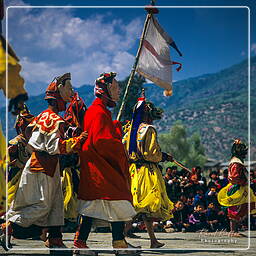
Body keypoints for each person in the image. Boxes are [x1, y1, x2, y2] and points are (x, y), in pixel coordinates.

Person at [0, 73, 88, 250]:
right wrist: (78, 141)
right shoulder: (52, 118)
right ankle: (7, 228)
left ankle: (55, 238)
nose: (72, 92)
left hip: (49, 165)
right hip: (41, 166)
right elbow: (53, 146)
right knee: (42, 205)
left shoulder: (45, 116)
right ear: (59, 90)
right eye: (69, 88)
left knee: (56, 203)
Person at [73, 72, 138, 256]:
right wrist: (119, 141)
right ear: (107, 90)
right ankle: (89, 244)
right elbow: (102, 141)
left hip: (98, 167)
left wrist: (114, 126)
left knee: (100, 205)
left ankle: (114, 243)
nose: (118, 91)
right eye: (116, 88)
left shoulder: (99, 111)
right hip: (100, 168)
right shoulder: (99, 112)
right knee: (113, 200)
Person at [124, 96, 174, 248]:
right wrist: (163, 156)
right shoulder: (149, 130)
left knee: (142, 208)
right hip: (147, 172)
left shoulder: (129, 132)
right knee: (143, 206)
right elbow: (152, 154)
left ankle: (152, 240)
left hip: (132, 171)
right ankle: (121, 238)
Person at [218, 139, 256, 236]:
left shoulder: (237, 162)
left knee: (243, 207)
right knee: (235, 208)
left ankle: (235, 230)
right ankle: (233, 231)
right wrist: (243, 182)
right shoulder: (236, 163)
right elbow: (234, 177)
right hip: (237, 187)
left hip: (241, 187)